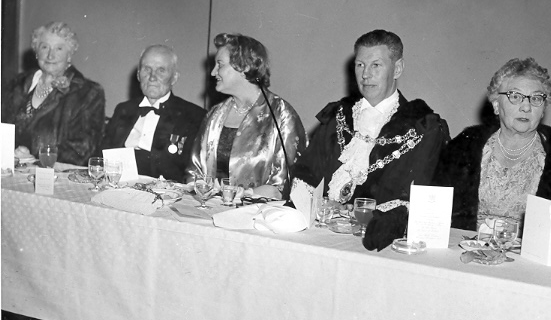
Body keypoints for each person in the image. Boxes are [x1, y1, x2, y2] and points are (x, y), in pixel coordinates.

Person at [291, 29, 450, 208]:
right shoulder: (338, 117)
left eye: (376, 65)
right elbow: (304, 176)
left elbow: (419, 202)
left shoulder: (423, 128)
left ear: (397, 69)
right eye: (360, 65)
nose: (366, 74)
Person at [434, 57, 551, 232]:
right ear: (496, 105)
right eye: (515, 96)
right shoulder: (464, 146)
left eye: (536, 98)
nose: (526, 107)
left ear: (544, 108)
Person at [188, 33, 306, 199]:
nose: (213, 72)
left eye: (220, 65)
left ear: (244, 67)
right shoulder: (214, 115)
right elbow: (194, 172)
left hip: (258, 217)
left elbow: (287, 184)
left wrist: (245, 195)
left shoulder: (281, 114)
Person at [2, 22, 105, 166]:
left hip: (54, 177)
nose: (50, 55)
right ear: (36, 51)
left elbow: (81, 149)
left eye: (59, 48)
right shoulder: (16, 84)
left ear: (69, 55)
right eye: (44, 47)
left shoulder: (88, 93)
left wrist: (35, 159)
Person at [102, 45, 205, 183]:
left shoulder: (193, 115)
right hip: (118, 188)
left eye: (161, 70)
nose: (152, 77)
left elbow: (193, 172)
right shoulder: (123, 109)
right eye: (146, 69)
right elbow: (103, 156)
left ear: (174, 78)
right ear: (138, 75)